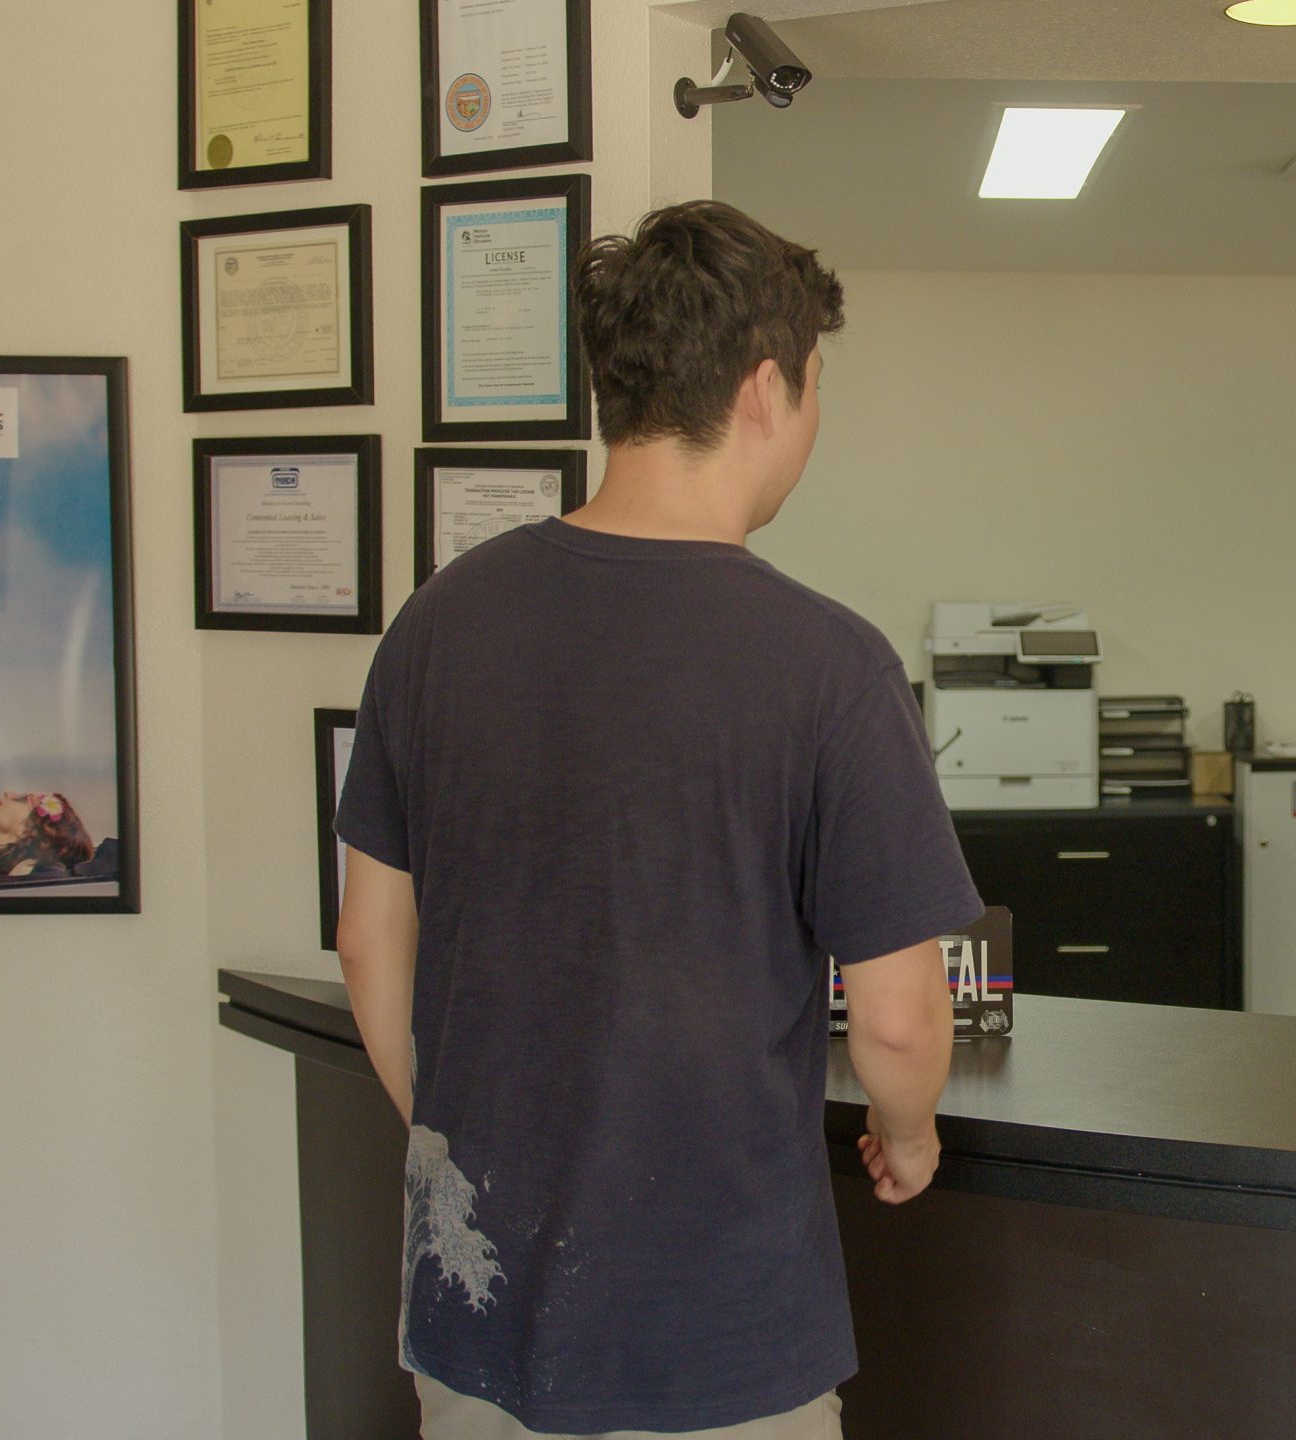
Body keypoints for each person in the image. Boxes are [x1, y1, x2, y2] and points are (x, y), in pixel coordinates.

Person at [331, 200, 981, 1440]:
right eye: (815, 382)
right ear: (761, 389)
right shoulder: (831, 666)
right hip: (718, 1341)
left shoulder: (437, 623)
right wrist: (909, 1142)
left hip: (475, 1328)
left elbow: (370, 943)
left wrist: (459, 1137)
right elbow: (896, 1022)